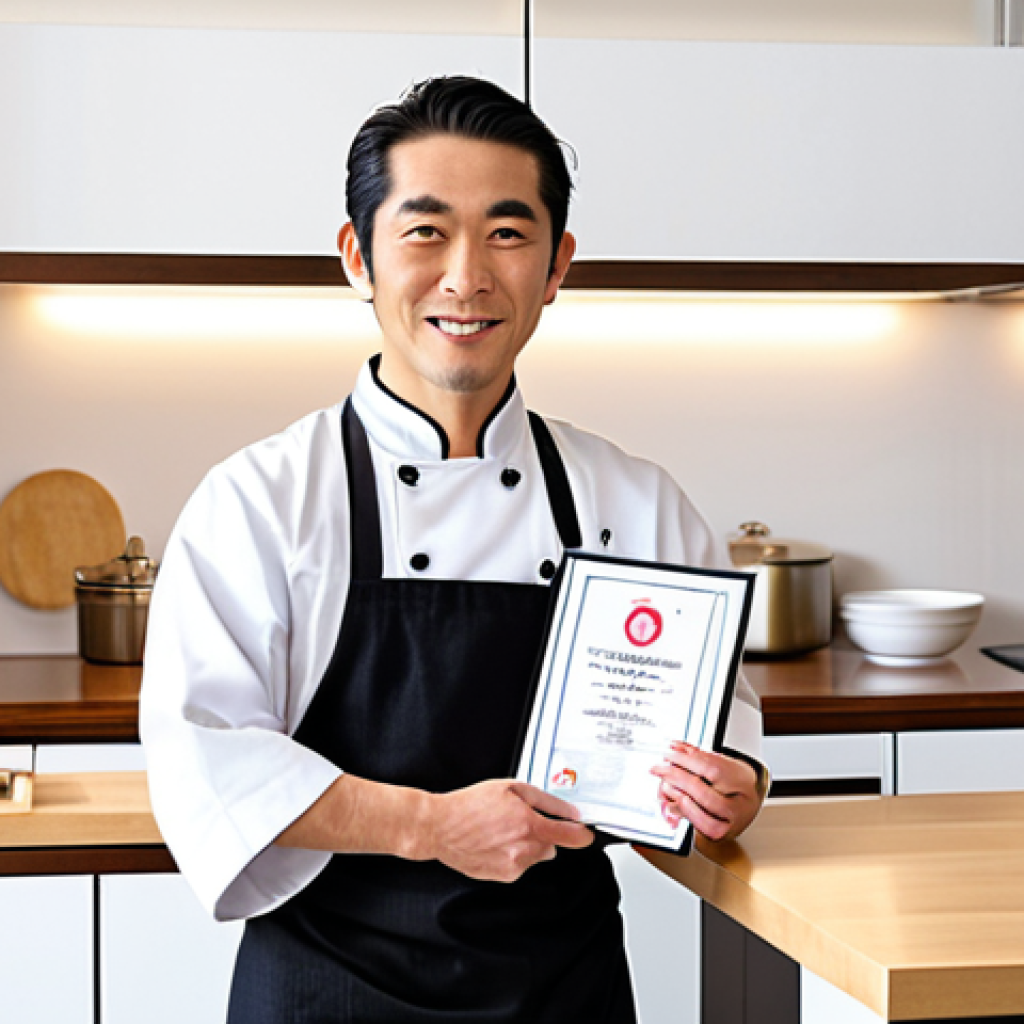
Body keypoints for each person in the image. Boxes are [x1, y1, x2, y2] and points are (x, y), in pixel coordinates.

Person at [141, 75, 767, 1023]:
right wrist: (430, 826)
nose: (466, 276)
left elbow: (725, 728)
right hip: (328, 992)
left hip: (564, 989)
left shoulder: (633, 500)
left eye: (508, 234)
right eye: (424, 231)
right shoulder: (261, 500)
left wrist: (733, 787)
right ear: (359, 257)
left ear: (556, 267)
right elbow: (206, 763)